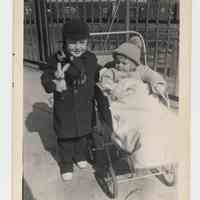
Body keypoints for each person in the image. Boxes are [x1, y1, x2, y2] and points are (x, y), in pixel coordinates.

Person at [98, 40, 181, 168]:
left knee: (163, 119)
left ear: (134, 63)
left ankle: (162, 146)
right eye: (117, 62)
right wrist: (112, 87)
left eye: (124, 63)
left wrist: (157, 84)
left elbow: (153, 76)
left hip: (142, 104)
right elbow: (106, 80)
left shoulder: (141, 70)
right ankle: (140, 147)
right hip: (125, 106)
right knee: (133, 125)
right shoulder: (113, 71)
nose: (119, 65)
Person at [41, 18, 101, 181]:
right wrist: (54, 82)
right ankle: (66, 163)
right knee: (65, 137)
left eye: (82, 42)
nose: (77, 47)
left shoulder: (91, 58)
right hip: (65, 106)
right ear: (65, 41)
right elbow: (46, 76)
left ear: (87, 41)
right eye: (72, 42)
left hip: (84, 105)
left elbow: (97, 72)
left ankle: (80, 155)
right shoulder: (58, 59)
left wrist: (110, 74)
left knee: (84, 135)